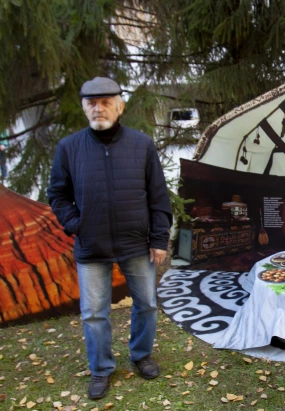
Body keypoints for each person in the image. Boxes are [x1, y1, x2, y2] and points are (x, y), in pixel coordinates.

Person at [47, 77, 173, 399]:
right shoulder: (69, 147)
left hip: (136, 243)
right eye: (92, 102)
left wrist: (159, 239)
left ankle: (141, 355)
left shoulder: (142, 145)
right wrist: (77, 223)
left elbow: (158, 197)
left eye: (106, 102)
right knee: (93, 313)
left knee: (146, 304)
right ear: (84, 107)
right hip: (91, 246)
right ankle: (101, 368)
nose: (98, 108)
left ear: (120, 105)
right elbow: (58, 195)